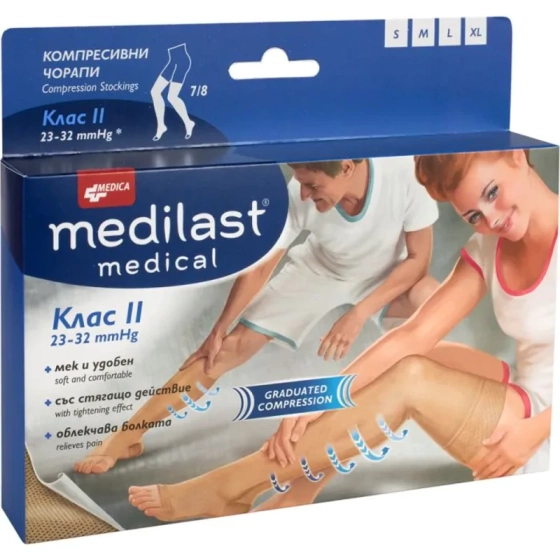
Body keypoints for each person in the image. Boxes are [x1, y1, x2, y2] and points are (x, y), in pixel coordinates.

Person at [126, 149, 555, 521]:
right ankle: (287, 493)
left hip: (539, 430)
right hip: (522, 398)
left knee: (410, 379)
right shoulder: (486, 247)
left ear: (517, 156)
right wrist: (325, 397)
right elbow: (414, 335)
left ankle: (228, 487)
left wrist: (537, 430)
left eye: (492, 192)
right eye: (473, 215)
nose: (491, 218)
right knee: (402, 363)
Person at [74, 156, 439, 475]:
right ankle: (127, 436)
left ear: (346, 168)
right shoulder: (298, 192)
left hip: (388, 274)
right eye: (300, 183)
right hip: (321, 269)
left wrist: (359, 313)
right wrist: (219, 328)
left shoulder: (404, 172)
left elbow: (418, 258)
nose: (304, 194)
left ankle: (444, 403)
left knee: (431, 299)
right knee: (225, 349)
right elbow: (262, 265)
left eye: (313, 186)